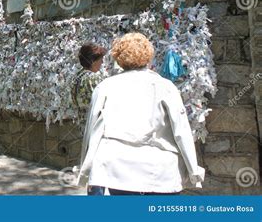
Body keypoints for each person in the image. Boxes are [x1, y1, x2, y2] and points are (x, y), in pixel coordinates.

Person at [77, 32, 204, 195]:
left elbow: (92, 131)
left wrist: (85, 171)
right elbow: (181, 131)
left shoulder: (105, 87)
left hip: (119, 171)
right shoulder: (165, 86)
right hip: (160, 172)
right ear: (149, 55)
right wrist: (193, 172)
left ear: (118, 58)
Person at [71, 43, 106, 134]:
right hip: (96, 127)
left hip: (84, 127)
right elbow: (102, 103)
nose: (102, 63)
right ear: (93, 61)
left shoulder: (77, 77)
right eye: (100, 59)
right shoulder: (92, 78)